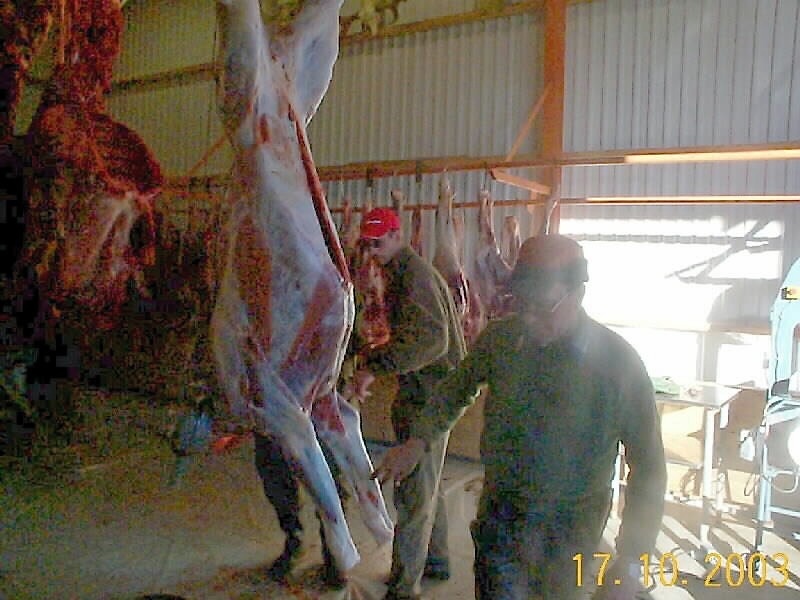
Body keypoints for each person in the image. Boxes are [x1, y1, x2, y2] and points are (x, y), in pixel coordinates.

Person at [373, 234, 667, 600]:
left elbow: (649, 468)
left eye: (542, 304)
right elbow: (455, 388)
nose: (527, 316)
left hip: (570, 530)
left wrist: (631, 560)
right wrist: (418, 440)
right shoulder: (502, 340)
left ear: (577, 293)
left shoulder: (618, 364)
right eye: (521, 302)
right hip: (502, 515)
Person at [355, 207, 467, 600]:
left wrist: (375, 366)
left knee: (413, 492)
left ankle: (404, 588)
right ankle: (436, 561)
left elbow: (432, 341)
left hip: (430, 396)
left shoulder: (413, 274)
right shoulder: (399, 272)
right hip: (429, 389)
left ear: (397, 236)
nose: (373, 250)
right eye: (368, 243)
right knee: (427, 485)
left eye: (379, 242)